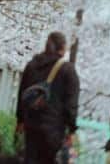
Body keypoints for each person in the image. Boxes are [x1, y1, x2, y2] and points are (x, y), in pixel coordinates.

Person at [15, 31, 80, 164]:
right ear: (63, 47)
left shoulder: (31, 65)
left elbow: (22, 93)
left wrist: (20, 120)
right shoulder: (67, 69)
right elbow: (71, 103)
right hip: (54, 128)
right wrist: (71, 129)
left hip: (31, 125)